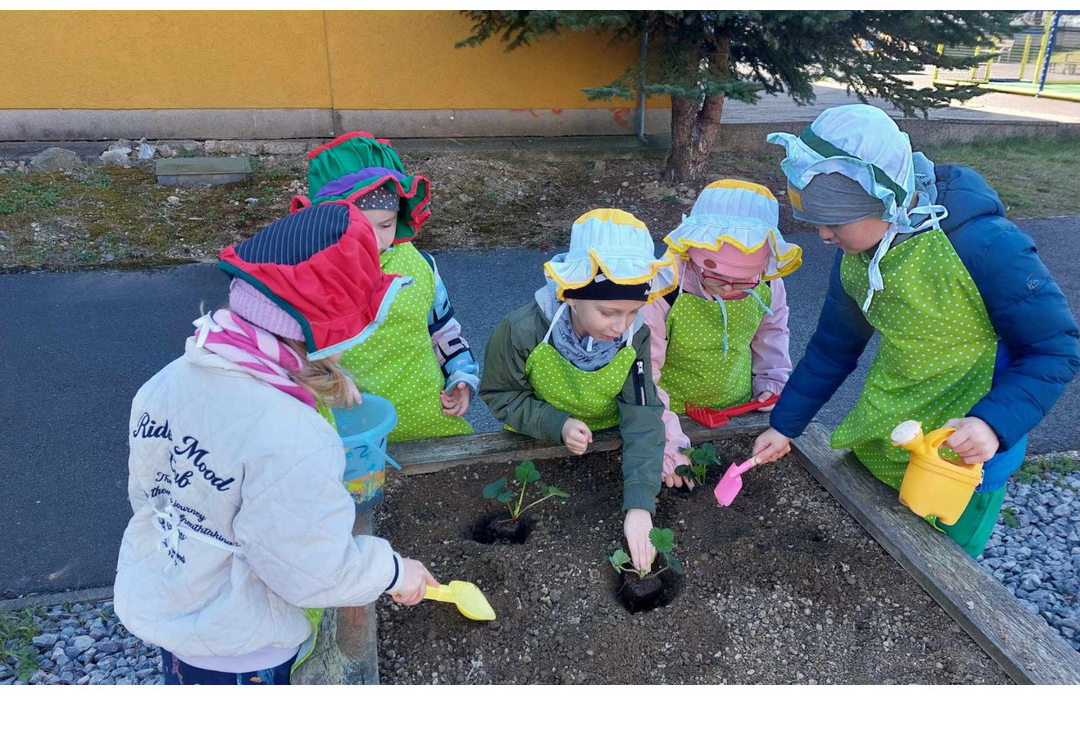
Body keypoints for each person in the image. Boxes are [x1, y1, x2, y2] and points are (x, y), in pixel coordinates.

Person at [114, 201, 439, 685]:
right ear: (325, 331)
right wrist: (392, 571)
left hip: (173, 605)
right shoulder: (294, 435)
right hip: (246, 647)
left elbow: (149, 495)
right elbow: (308, 568)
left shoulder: (166, 381)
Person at [752, 105, 1080, 557]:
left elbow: (1053, 350)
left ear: (884, 200)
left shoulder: (985, 247)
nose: (823, 236)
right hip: (881, 440)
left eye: (834, 221)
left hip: (959, 460)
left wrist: (992, 424)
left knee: (938, 570)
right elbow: (832, 349)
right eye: (817, 221)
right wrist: (785, 425)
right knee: (874, 554)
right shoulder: (858, 255)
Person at [480, 209, 678, 571]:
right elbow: (501, 395)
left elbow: (643, 415)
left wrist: (639, 504)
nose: (621, 326)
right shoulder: (522, 330)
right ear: (571, 296)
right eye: (609, 312)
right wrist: (557, 424)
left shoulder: (636, 337)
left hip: (606, 445)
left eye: (633, 312)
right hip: (534, 444)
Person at [296, 131, 478, 441]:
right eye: (361, 228)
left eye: (386, 225)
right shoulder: (309, 276)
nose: (376, 239)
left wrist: (461, 377)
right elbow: (293, 355)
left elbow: (443, 329)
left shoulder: (421, 267)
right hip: (349, 432)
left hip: (428, 421)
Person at [644, 179, 802, 489]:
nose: (730, 291)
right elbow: (645, 372)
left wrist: (771, 381)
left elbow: (772, 334)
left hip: (736, 409)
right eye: (717, 279)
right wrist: (667, 441)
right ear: (693, 256)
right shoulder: (665, 287)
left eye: (744, 284)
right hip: (672, 412)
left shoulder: (768, 284)